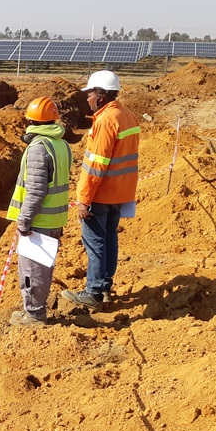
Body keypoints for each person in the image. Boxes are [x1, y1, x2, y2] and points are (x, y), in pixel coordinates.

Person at [61, 69, 140, 311]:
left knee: (95, 242)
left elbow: (96, 165)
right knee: (109, 238)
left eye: (90, 94)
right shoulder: (127, 115)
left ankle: (93, 292)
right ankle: (105, 286)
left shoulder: (105, 120)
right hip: (120, 192)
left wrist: (84, 200)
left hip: (101, 193)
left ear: (102, 96)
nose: (87, 99)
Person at [6, 96, 73, 326]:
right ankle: (36, 309)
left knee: (33, 270)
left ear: (32, 122)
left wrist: (24, 219)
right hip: (55, 219)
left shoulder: (38, 148)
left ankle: (34, 314)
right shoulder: (61, 145)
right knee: (43, 268)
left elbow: (35, 190)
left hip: (39, 221)